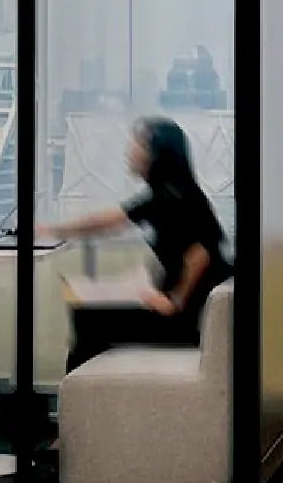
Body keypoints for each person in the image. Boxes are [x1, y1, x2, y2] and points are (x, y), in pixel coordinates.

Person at [41, 117, 230, 371]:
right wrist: (55, 229)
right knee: (87, 313)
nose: (130, 151)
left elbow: (201, 254)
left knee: (88, 318)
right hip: (186, 313)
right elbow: (112, 220)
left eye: (138, 145)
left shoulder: (173, 196)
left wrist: (174, 300)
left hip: (185, 321)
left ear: (157, 154)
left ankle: (87, 399)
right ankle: (92, 394)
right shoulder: (169, 192)